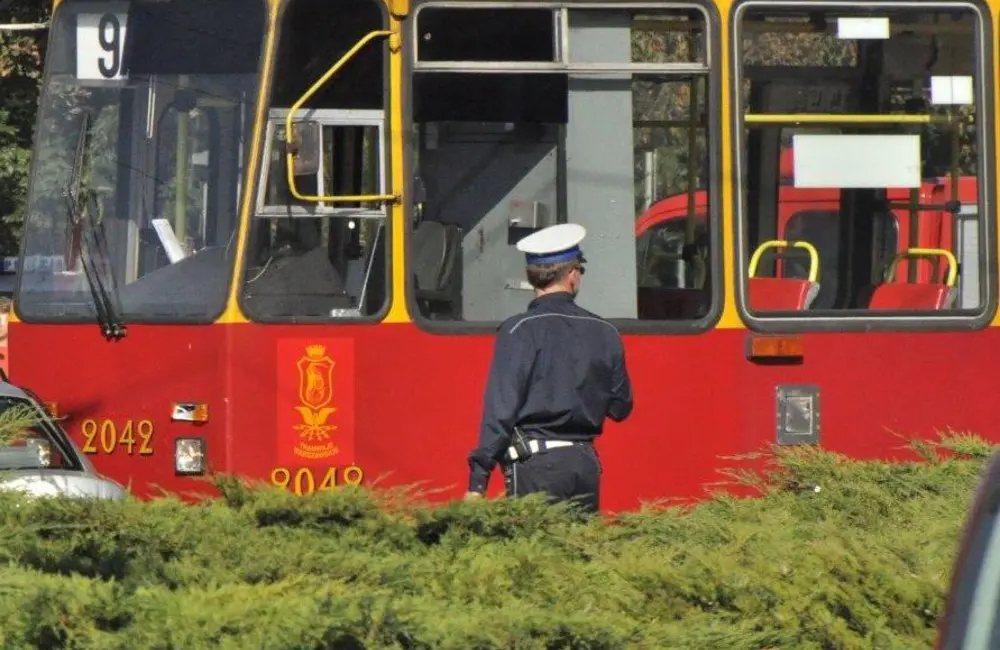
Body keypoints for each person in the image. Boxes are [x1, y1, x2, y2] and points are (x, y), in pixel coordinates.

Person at [464, 223, 633, 513]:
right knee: (582, 542)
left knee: (535, 541)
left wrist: (478, 480)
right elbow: (621, 408)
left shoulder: (518, 330)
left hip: (535, 466)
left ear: (532, 276)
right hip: (584, 464)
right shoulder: (605, 332)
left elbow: (500, 410)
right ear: (572, 275)